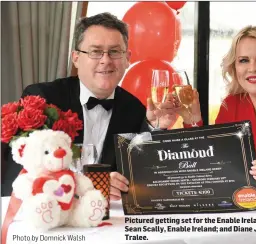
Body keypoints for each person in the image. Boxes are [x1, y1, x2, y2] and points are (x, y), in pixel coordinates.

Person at [117, 25, 256, 214]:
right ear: (235, 69)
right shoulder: (231, 107)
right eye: (243, 60)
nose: (253, 68)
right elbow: (208, 177)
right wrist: (193, 122)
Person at [1, 13, 177, 197]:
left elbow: (144, 175)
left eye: (115, 52)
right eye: (95, 51)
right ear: (76, 58)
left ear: (127, 58)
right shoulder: (43, 99)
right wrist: (90, 182)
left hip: (105, 219)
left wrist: (155, 128)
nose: (106, 60)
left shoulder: (134, 109)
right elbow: (23, 175)